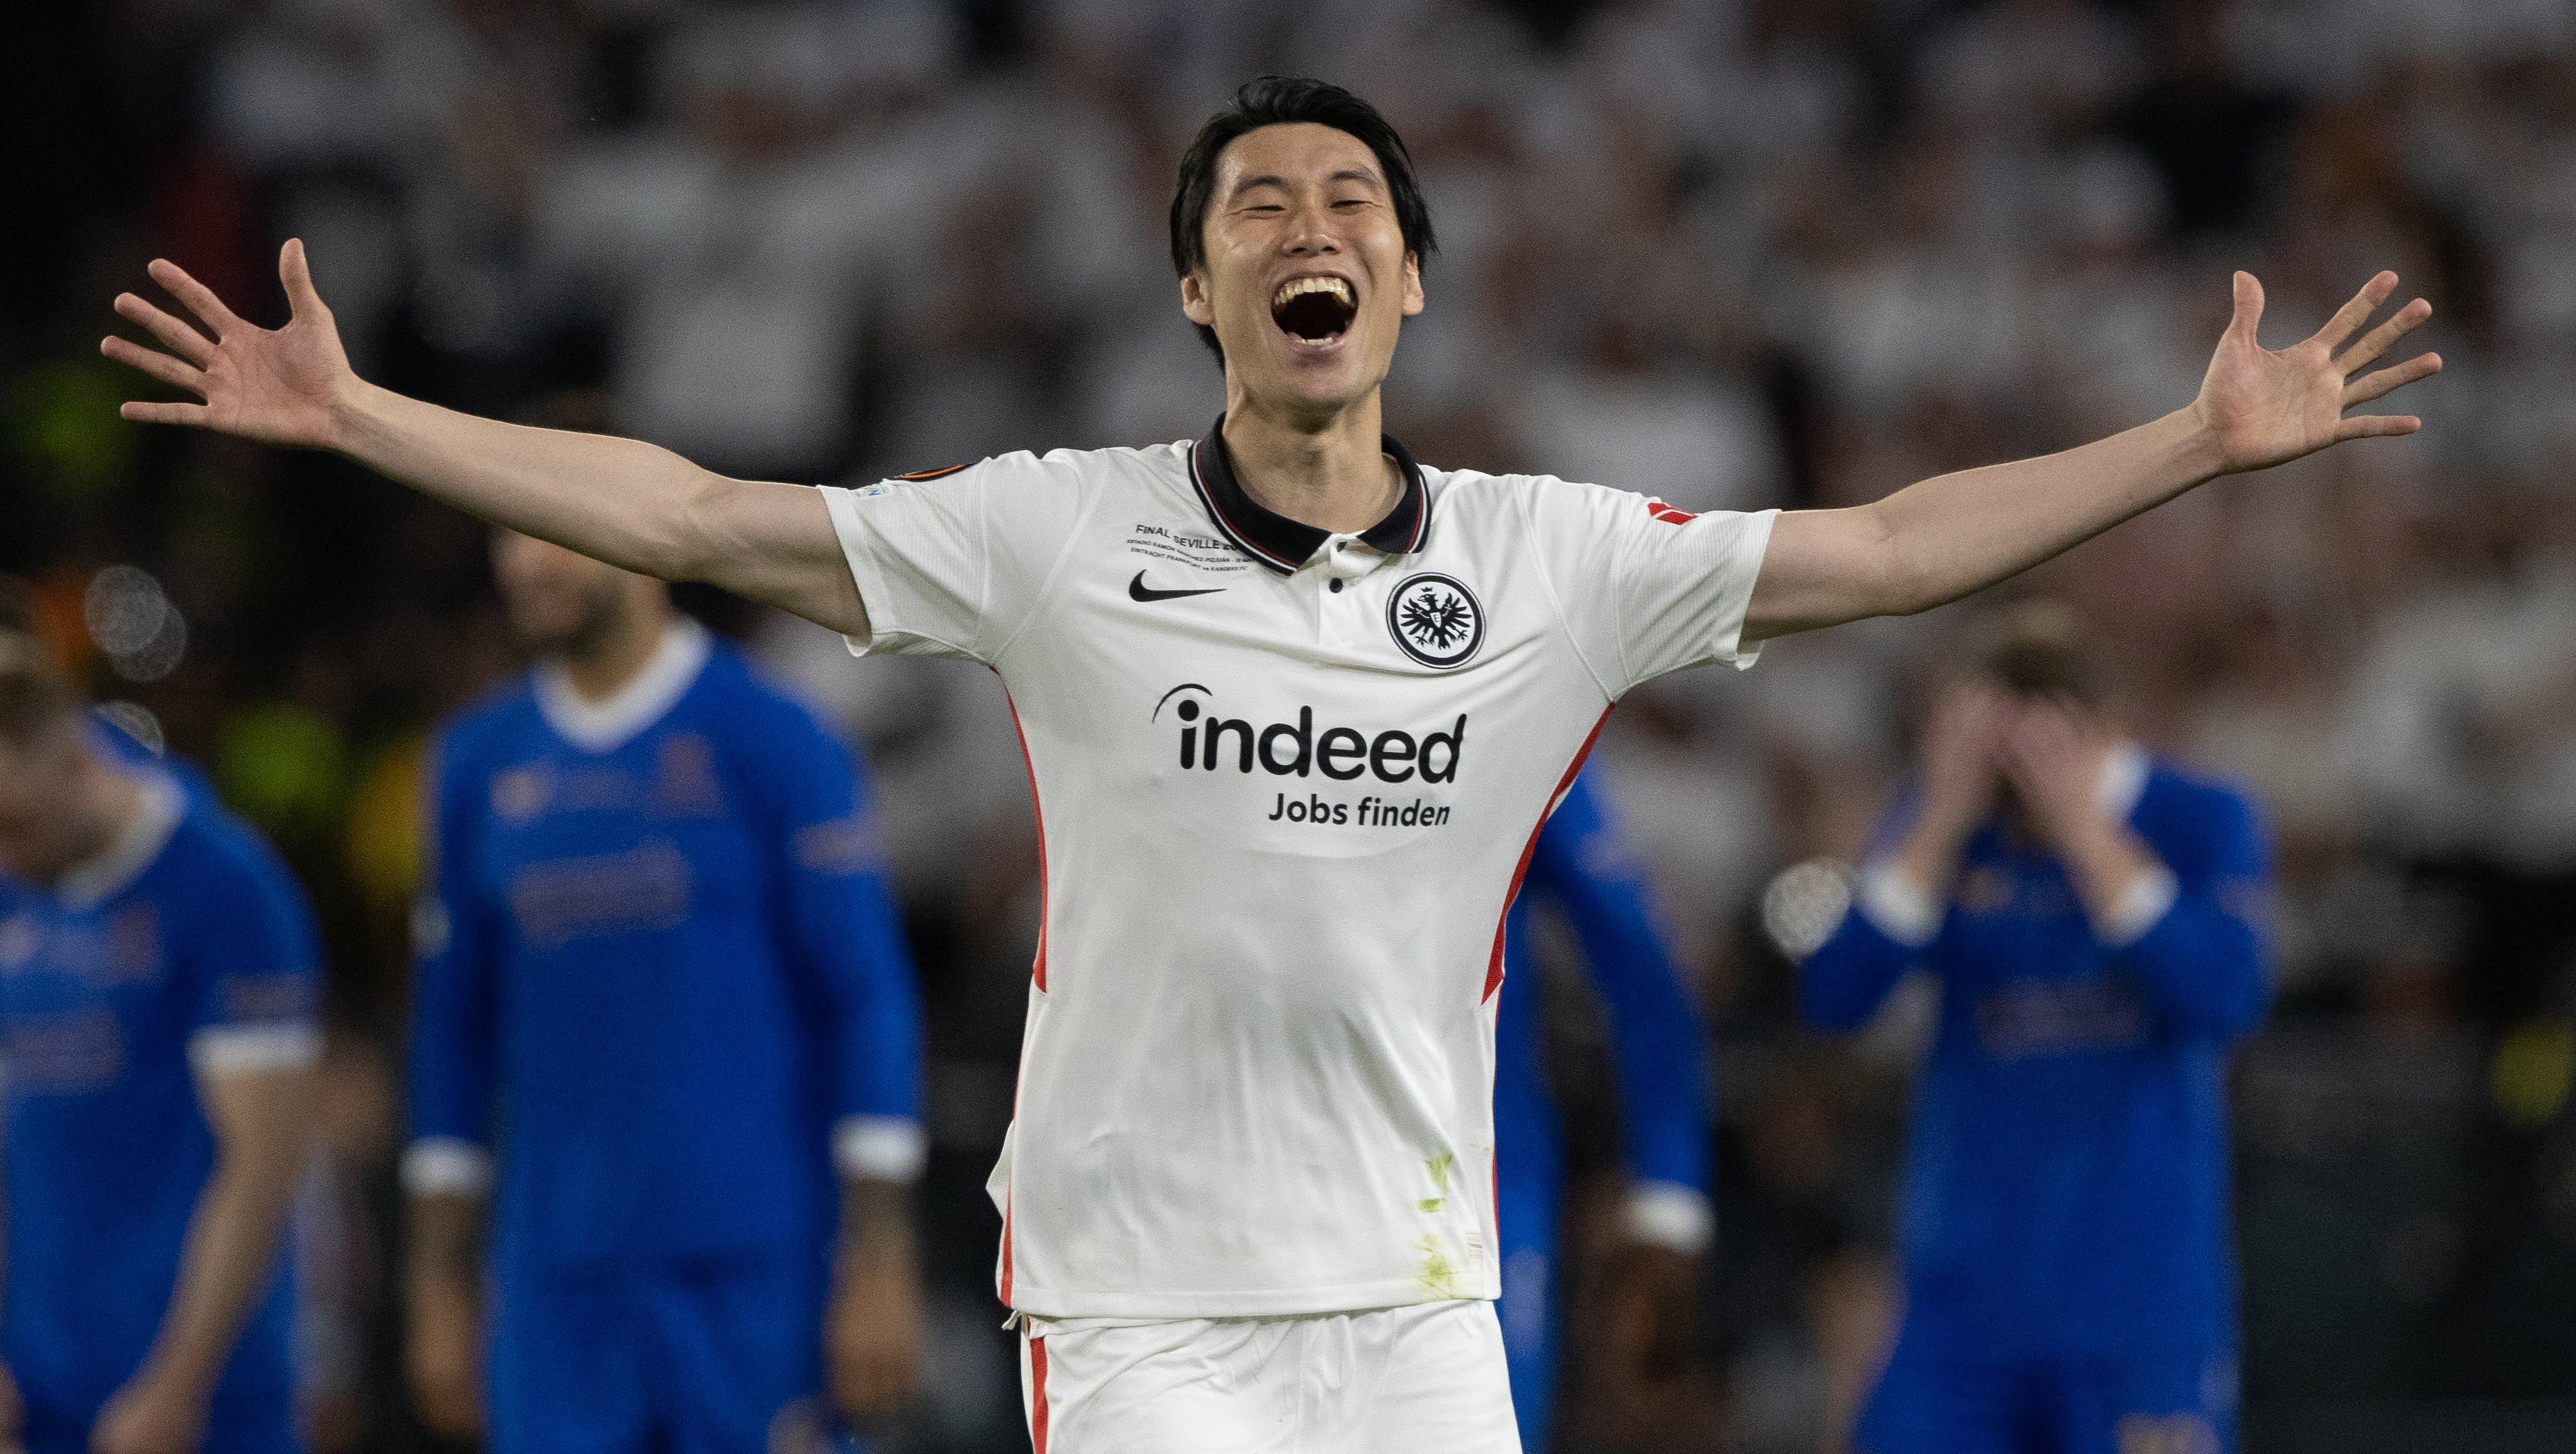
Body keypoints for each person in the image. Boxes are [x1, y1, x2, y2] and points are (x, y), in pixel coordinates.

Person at [100, 71, 2433, 1453]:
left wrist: (2191, 447)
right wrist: (362, 413)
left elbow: (1902, 545)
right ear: (1200, 298)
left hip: (1415, 1286)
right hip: (1136, 1295)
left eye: (1350, 207)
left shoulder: (1552, 559)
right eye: (1256, 211)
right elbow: (694, 512)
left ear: (1409, 286)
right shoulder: (1046, 530)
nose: (1307, 230)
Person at [400, 530, 927, 1454]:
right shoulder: (474, 760)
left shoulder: (772, 733)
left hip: (757, 1267)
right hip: (552, 1279)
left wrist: (879, 1257)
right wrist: (437, 1280)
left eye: (552, 531)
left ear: (637, 541)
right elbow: (451, 1030)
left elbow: (864, 997)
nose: (525, 564)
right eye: (504, 535)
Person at [1800, 603, 2272, 1454]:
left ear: (2108, 729)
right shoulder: (1952, 824)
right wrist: (1938, 818)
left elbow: (2223, 998)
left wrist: (2084, 833)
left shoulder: (2198, 817)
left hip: (2138, 1306)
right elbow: (1836, 998)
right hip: (1964, 1304)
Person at [0, 630, 322, 1454]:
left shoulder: (225, 891)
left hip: (205, 1404)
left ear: (76, 758)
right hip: (39, 1391)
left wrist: (177, 1383)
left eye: (14, 824)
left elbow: (261, 1166)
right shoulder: (16, 882)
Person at [1495, 763, 1710, 1452]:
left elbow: (1640, 966)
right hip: (1218, 1176)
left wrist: (1668, 1198)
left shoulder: (1503, 705)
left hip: (1475, 1191)